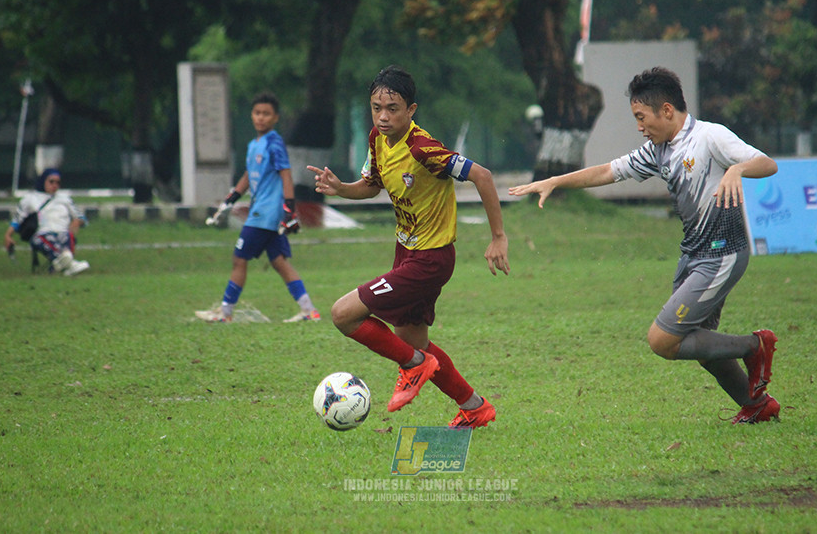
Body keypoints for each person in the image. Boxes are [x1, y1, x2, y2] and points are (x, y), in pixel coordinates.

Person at [510, 67, 781, 424]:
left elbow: (767, 163)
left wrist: (737, 170)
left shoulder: (710, 137)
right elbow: (609, 171)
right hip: (692, 257)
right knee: (697, 343)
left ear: (666, 110)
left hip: (722, 254)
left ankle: (754, 345)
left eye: (642, 117)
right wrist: (556, 180)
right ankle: (757, 405)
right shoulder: (658, 150)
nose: (640, 126)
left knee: (663, 340)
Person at [307, 65, 510, 429]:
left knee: (343, 314)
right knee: (414, 340)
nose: (383, 117)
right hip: (407, 253)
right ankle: (475, 406)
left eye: (393, 108)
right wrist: (341, 188)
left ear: (411, 110)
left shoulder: (423, 148)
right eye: (376, 108)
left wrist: (498, 236)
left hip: (430, 261)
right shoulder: (377, 139)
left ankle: (414, 366)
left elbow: (482, 175)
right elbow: (372, 185)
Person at [196, 92, 319, 323]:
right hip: (262, 213)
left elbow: (286, 175)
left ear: (275, 118)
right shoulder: (254, 145)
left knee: (238, 259)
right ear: (252, 115)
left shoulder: (274, 144)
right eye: (257, 113)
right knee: (279, 262)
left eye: (266, 114)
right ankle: (309, 310)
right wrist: (230, 198)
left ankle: (225, 313)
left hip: (265, 214)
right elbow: (247, 176)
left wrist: (289, 209)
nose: (261, 118)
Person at [4, 168, 90, 276]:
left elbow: (81, 217)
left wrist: (77, 222)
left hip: (63, 232)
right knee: (41, 239)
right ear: (43, 181)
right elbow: (17, 219)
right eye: (51, 181)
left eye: (58, 182)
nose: (55, 185)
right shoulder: (30, 199)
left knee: (68, 236)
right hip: (42, 234)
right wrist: (8, 235)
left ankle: (63, 264)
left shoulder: (65, 199)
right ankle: (70, 264)